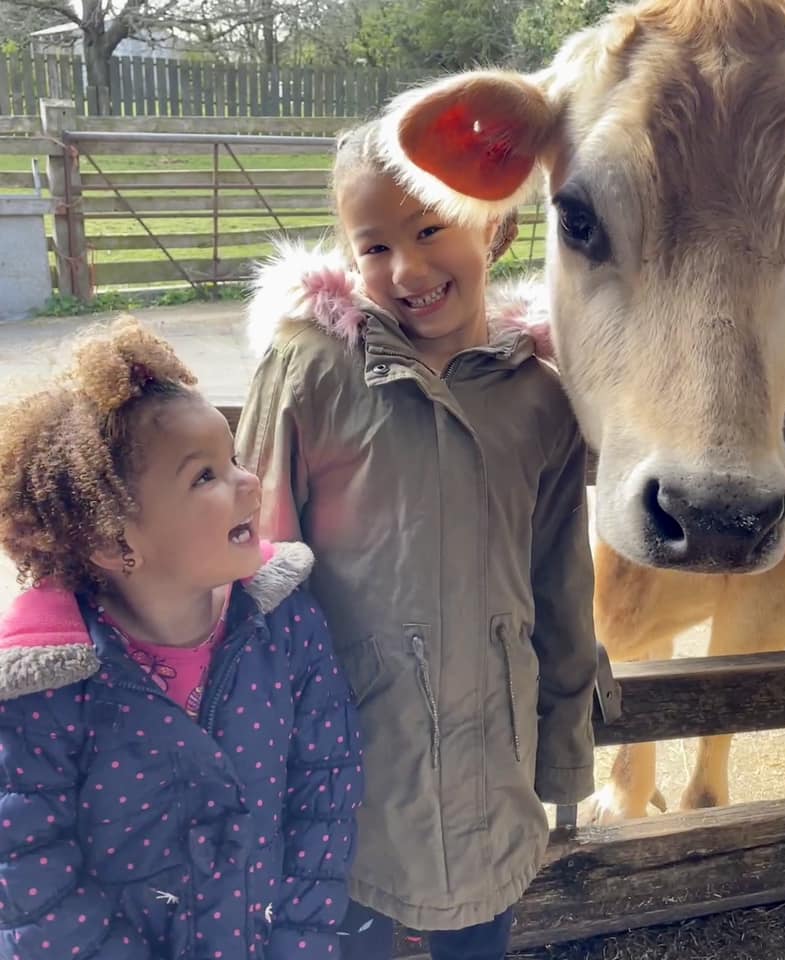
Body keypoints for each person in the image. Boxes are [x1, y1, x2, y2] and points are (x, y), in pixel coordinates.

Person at [236, 118, 598, 960]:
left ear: (494, 225)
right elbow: (252, 569)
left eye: (430, 228)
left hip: (491, 777)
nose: (407, 269)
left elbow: (560, 582)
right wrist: (261, 763)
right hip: (347, 776)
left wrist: (565, 747)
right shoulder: (312, 369)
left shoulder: (540, 399)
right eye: (373, 247)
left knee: (479, 942)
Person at [0, 317, 361, 960]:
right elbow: (30, 872)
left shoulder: (285, 626)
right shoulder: (46, 689)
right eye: (205, 477)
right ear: (115, 543)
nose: (249, 483)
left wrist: (300, 944)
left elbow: (324, 793)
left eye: (233, 460)